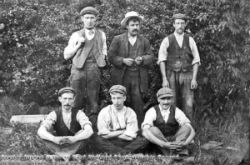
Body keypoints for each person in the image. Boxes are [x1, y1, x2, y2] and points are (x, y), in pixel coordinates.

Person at [108, 11, 154, 125]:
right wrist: (123, 60)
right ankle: (120, 127)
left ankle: (139, 129)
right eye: (132, 25)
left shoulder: (144, 41)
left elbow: (151, 56)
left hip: (138, 77)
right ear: (127, 26)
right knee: (121, 100)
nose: (135, 27)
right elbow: (110, 57)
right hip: (122, 76)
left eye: (137, 25)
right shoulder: (117, 39)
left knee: (138, 102)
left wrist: (142, 59)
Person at [63, 6, 107, 123]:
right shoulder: (76, 35)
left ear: (96, 19)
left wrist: (101, 60)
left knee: (93, 97)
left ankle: (92, 126)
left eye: (92, 18)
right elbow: (66, 55)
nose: (89, 20)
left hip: (94, 68)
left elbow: (104, 50)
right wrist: (77, 45)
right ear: (82, 19)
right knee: (76, 97)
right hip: (78, 69)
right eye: (87, 17)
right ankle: (74, 123)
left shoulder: (101, 34)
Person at [158, 13, 201, 120]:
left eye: (182, 23)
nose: (180, 26)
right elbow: (162, 60)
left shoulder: (190, 40)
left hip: (187, 74)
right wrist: (164, 79)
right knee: (171, 101)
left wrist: (194, 79)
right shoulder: (167, 40)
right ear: (173, 24)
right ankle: (172, 128)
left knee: (188, 102)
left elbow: (196, 60)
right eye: (177, 23)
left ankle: (188, 129)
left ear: (185, 24)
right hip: (171, 74)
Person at [37, 87, 93, 158]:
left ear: (74, 99)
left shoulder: (79, 113)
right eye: (65, 99)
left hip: (75, 143)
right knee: (43, 135)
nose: (67, 102)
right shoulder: (54, 114)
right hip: (59, 143)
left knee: (84, 133)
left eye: (70, 99)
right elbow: (41, 130)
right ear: (60, 99)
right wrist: (54, 139)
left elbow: (89, 130)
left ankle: (60, 155)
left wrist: (74, 139)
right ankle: (70, 155)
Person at [95, 85, 148, 154]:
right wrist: (122, 131)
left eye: (119, 98)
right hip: (110, 141)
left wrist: (110, 134)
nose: (116, 102)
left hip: (126, 142)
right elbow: (103, 135)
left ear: (124, 98)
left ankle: (116, 152)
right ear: (111, 99)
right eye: (113, 98)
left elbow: (130, 137)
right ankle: (125, 152)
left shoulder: (130, 112)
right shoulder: (105, 111)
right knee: (96, 139)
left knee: (144, 139)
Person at [142, 87, 195, 155]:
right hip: (160, 142)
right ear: (158, 99)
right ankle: (172, 152)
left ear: (172, 99)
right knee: (152, 129)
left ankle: (175, 150)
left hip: (175, 140)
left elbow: (191, 130)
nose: (166, 102)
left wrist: (185, 143)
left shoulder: (176, 111)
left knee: (186, 127)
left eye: (168, 99)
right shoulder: (152, 111)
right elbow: (145, 131)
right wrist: (163, 144)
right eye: (163, 99)